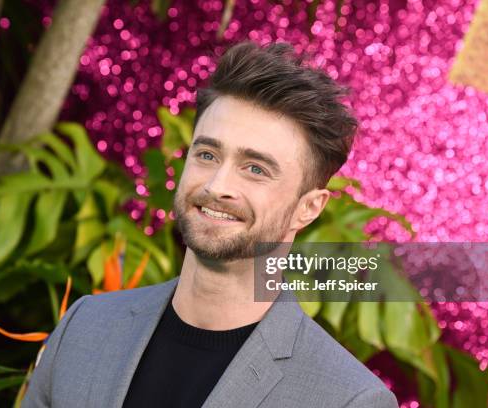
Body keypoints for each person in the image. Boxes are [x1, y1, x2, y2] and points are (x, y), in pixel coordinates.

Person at [22, 41, 398, 408]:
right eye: (207, 154)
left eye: (255, 169)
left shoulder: (348, 399)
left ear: (309, 208)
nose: (217, 186)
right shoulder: (84, 326)